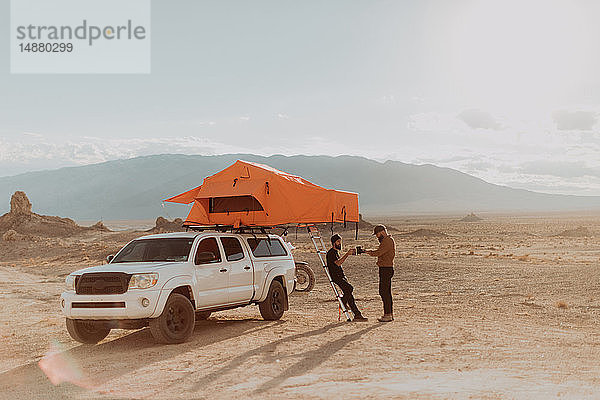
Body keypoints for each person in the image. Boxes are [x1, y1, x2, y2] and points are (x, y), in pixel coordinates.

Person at [326, 234, 368, 321]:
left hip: (341, 275)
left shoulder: (336, 252)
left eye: (340, 241)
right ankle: (343, 303)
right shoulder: (331, 253)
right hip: (336, 277)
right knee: (349, 289)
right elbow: (338, 263)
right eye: (338, 242)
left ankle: (357, 315)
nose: (339, 243)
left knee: (350, 296)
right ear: (333, 243)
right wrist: (347, 254)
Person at [365, 225, 396, 322]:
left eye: (377, 234)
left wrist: (369, 252)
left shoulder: (387, 241)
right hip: (386, 268)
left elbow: (379, 252)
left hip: (386, 269)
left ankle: (388, 314)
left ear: (382, 232)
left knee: (384, 292)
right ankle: (389, 314)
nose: (377, 237)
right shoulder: (387, 240)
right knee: (386, 292)